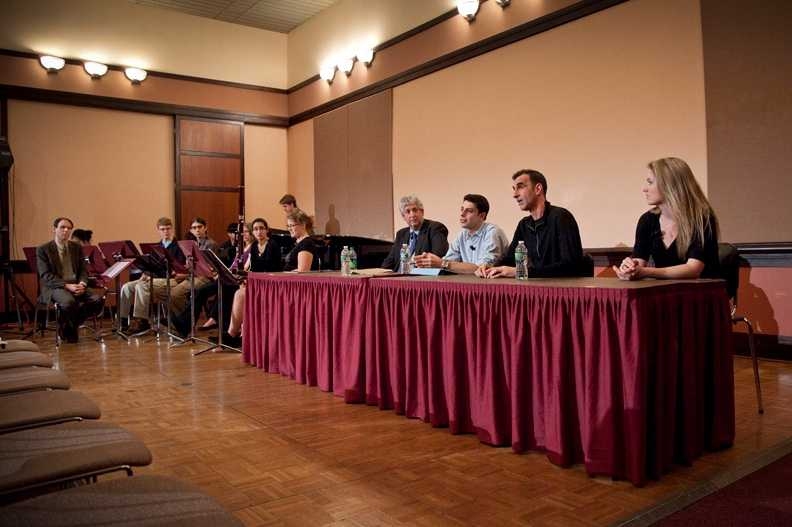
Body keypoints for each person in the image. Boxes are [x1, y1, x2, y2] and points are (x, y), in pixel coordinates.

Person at [614, 157, 720, 280]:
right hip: (666, 293)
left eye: (650, 182)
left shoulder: (702, 218)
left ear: (669, 185)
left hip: (701, 293)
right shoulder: (647, 220)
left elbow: (693, 269)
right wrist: (629, 269)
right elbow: (639, 262)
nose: (644, 189)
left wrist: (646, 272)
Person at [478, 169, 585, 278]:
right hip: (538, 289)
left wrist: (521, 272)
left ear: (538, 189)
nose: (514, 194)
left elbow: (571, 267)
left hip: (564, 291)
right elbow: (509, 259)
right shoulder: (524, 225)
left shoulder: (561, 217)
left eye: (520, 187)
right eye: (514, 189)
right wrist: (489, 267)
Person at [35, 217, 104, 343]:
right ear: (54, 229)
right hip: (55, 286)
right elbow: (46, 275)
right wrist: (67, 286)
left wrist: (82, 283)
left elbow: (83, 270)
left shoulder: (76, 247)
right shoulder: (43, 249)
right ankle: (70, 329)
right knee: (69, 302)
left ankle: (68, 325)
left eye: (69, 228)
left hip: (76, 284)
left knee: (97, 300)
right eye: (62, 227)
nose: (66, 230)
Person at [223, 218, 282, 346]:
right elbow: (253, 269)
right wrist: (246, 279)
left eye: (261, 228)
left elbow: (272, 269)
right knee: (238, 291)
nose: (259, 231)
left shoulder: (272, 245)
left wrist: (252, 279)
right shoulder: (254, 246)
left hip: (272, 284)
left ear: (267, 230)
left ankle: (231, 334)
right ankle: (238, 334)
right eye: (255, 229)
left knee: (240, 294)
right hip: (258, 283)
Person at [414, 194, 508, 274]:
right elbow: (449, 262)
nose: (462, 214)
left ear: (482, 216)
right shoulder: (462, 235)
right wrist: (428, 263)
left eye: (469, 211)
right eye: (462, 209)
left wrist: (442, 263)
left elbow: (481, 269)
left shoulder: (492, 232)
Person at [119, 217, 183, 333]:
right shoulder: (156, 247)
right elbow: (152, 265)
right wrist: (146, 272)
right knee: (126, 287)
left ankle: (142, 321)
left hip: (171, 279)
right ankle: (123, 321)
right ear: (158, 230)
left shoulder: (179, 246)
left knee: (141, 286)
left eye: (168, 229)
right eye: (162, 229)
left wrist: (151, 275)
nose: (166, 232)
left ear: (172, 229)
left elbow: (176, 270)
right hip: (155, 277)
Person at [381, 195, 449, 272]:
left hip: (420, 278)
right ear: (403, 216)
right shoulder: (401, 234)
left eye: (415, 210)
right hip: (398, 277)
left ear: (422, 212)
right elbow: (390, 261)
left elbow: (438, 258)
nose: (412, 215)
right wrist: (379, 273)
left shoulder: (435, 228)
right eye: (408, 212)